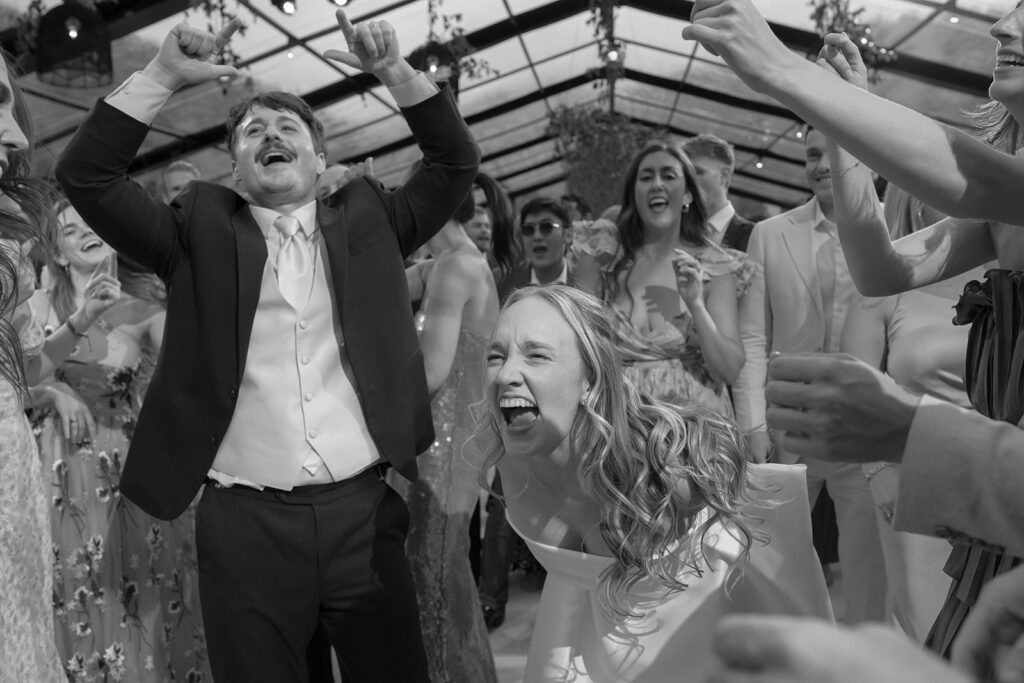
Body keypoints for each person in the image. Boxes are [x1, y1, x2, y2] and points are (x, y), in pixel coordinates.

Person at [54, 11, 479, 683]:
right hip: (243, 524)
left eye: (288, 127)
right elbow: (86, 175)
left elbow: (455, 160)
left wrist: (395, 72)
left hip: (363, 517)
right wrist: (162, 74)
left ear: (320, 158)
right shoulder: (194, 233)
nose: (271, 134)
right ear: (236, 167)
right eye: (253, 130)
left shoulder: (371, 217)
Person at [476, 284, 831, 682]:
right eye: (495, 356)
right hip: (578, 624)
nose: (505, 375)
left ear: (590, 379)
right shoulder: (507, 450)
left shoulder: (663, 475)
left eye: (537, 355)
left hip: (697, 616)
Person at [29, 200, 211, 681]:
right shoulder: (37, 306)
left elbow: (190, 380)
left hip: (129, 463)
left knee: (143, 580)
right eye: (71, 230)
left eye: (92, 222)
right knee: (77, 580)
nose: (86, 231)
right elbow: (13, 381)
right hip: (61, 467)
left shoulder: (145, 310)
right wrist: (54, 392)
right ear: (59, 254)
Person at [734, 122, 886, 622]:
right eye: (812, 155)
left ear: (865, 161)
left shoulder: (893, 230)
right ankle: (783, 655)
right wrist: (753, 422)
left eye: (833, 153)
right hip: (789, 422)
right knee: (776, 562)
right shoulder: (769, 234)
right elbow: (753, 336)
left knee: (869, 570)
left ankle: (865, 656)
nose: (822, 166)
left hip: (864, 427)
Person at [838, 184, 987, 641]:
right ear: (914, 205)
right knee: (927, 627)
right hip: (913, 482)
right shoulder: (883, 288)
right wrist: (877, 471)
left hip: (999, 475)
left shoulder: (1006, 275)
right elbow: (855, 386)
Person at [393, 191, 499, 682]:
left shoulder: (454, 267)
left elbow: (430, 374)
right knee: (442, 570)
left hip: (439, 446)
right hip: (447, 443)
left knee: (430, 572)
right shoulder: (451, 263)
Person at [574, 143, 748, 416]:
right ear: (634, 194)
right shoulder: (602, 259)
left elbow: (728, 370)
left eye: (668, 175)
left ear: (688, 194)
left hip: (696, 427)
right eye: (646, 177)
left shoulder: (714, 267)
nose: (656, 184)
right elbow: (574, 349)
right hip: (619, 422)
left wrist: (696, 304)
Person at [479, 195, 575, 631]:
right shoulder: (507, 283)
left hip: (575, 422)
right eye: (528, 229)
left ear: (567, 234)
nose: (537, 236)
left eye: (546, 227)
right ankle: (490, 600)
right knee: (504, 502)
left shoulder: (589, 283)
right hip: (518, 412)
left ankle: (574, 596)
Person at [681, 133, 755, 251]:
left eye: (698, 172)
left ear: (724, 176)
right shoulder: (672, 231)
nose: (688, 181)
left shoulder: (754, 236)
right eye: (684, 174)